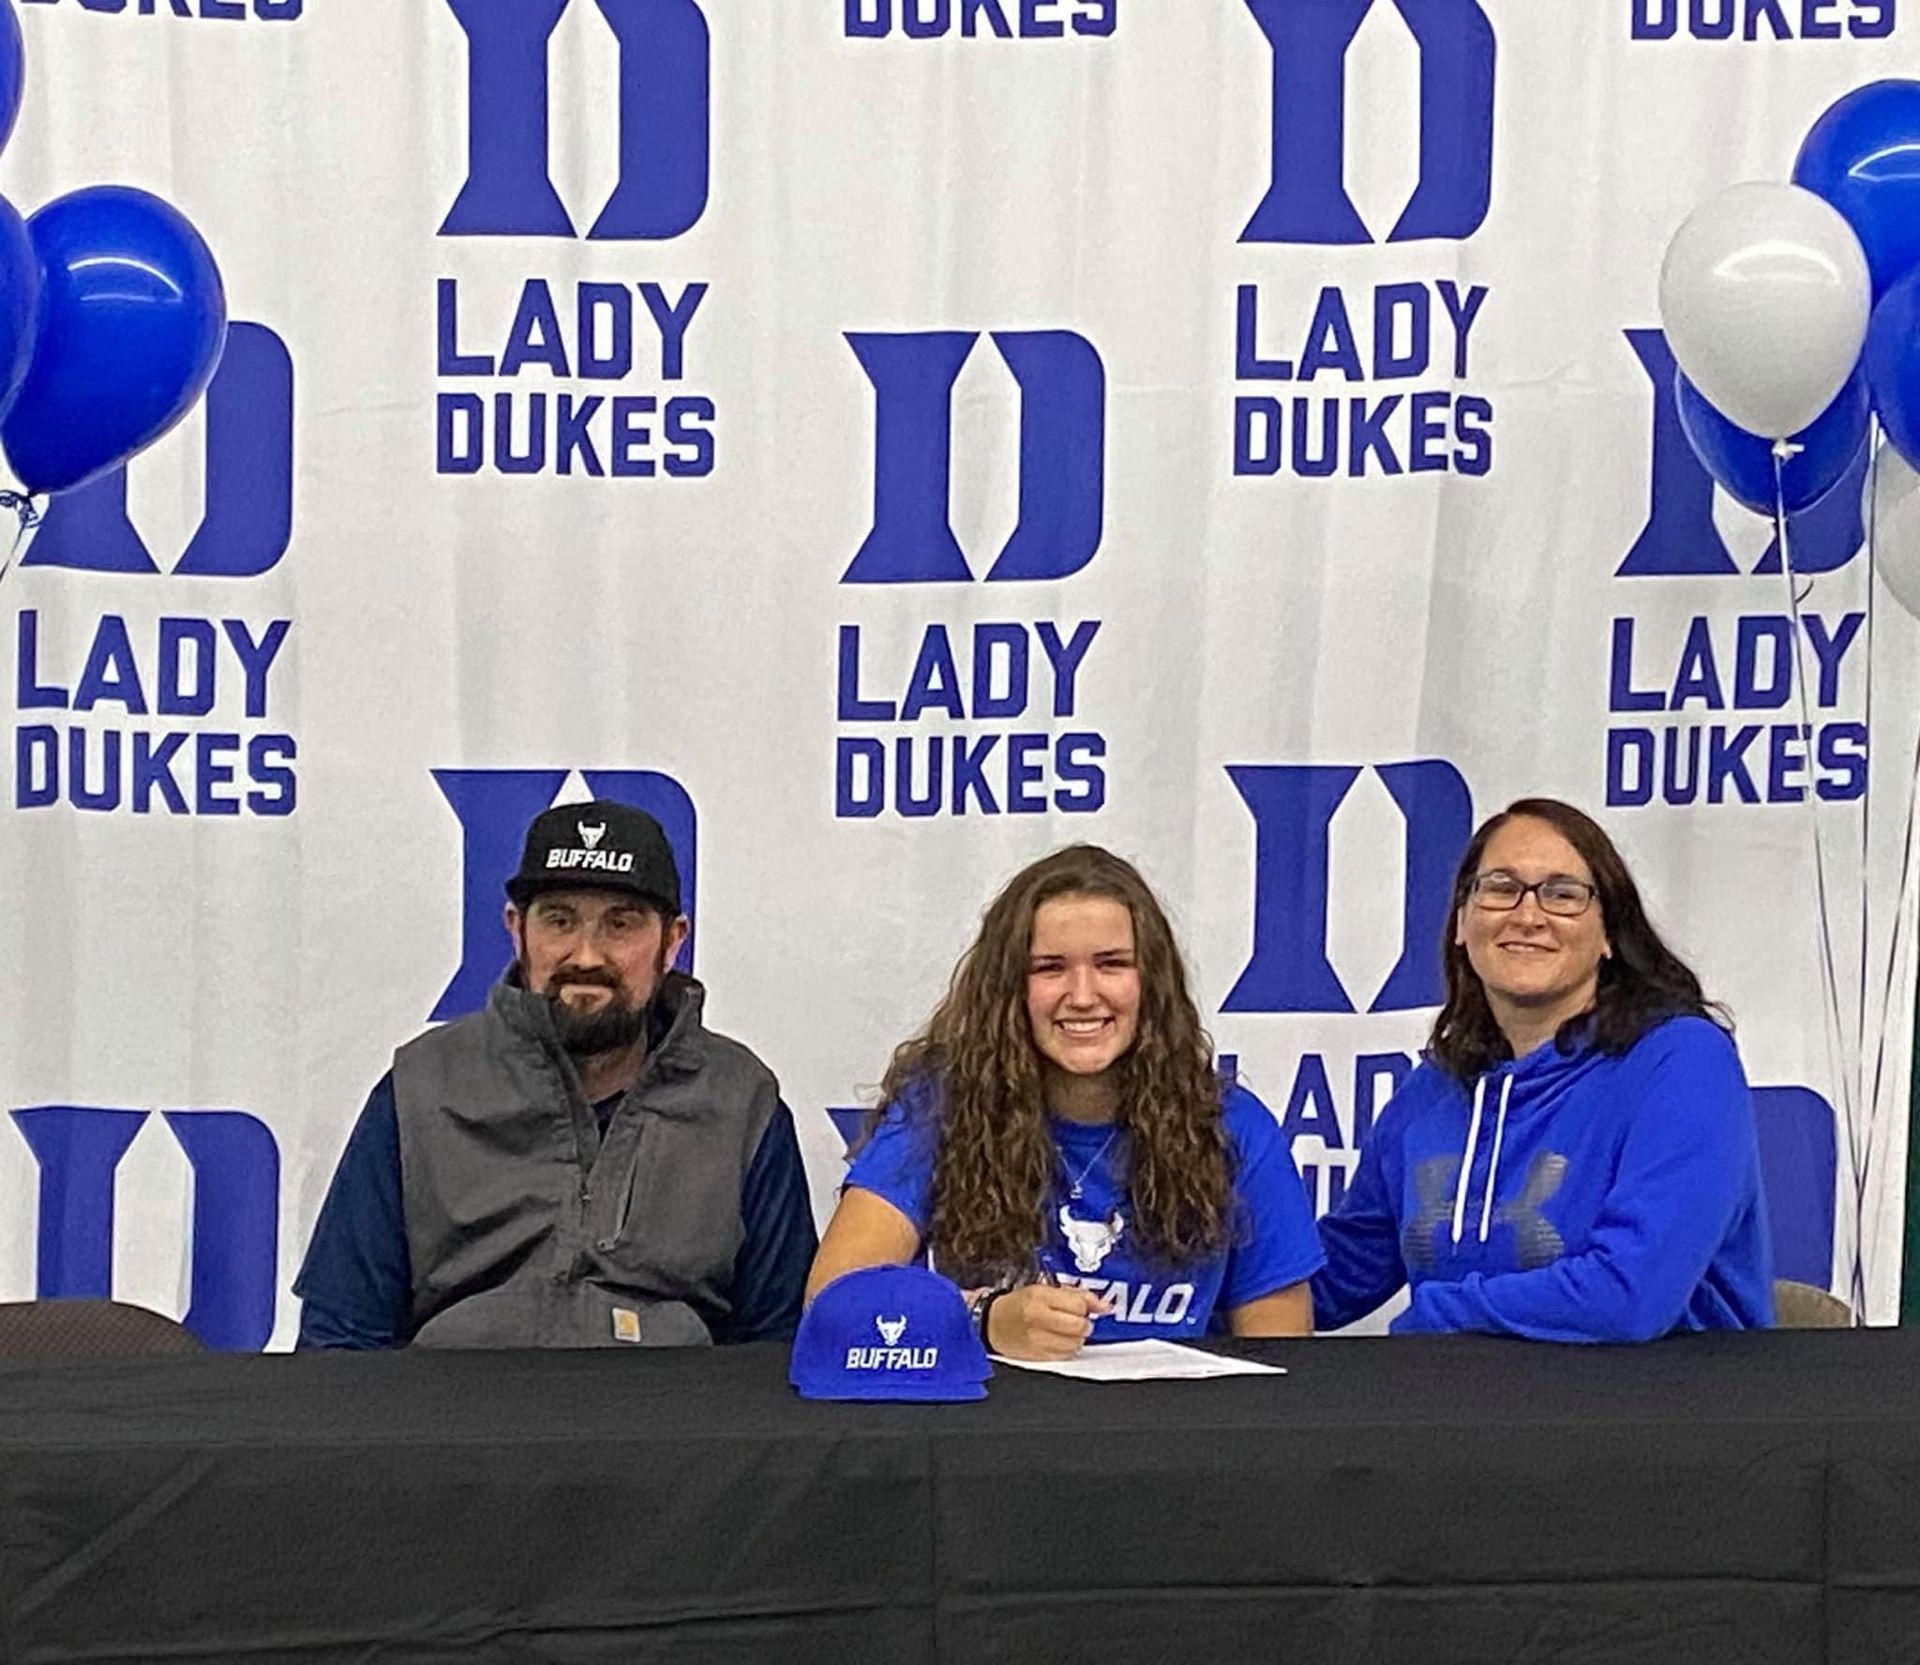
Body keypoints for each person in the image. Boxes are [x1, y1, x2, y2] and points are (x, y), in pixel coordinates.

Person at [295, 800, 816, 1349]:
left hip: (670, 1430)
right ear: (517, 930)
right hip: (457, 1426)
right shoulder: (421, 1088)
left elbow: (776, 1353)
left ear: (673, 941)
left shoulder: (741, 1102)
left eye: (621, 924)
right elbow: (341, 1343)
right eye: (560, 920)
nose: (586, 955)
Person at [807, 844, 1323, 1359]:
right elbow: (832, 1305)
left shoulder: (1230, 1124)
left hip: (1171, 1433)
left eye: (1112, 964)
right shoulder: (943, 1104)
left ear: (1152, 985)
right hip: (988, 1429)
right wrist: (983, 1319)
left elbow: (1281, 1366)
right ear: (1009, 990)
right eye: (1050, 968)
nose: (1081, 995)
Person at [1313, 798, 1774, 1341]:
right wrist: (1200, 1285)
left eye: (1562, 895)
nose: (1527, 916)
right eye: (1501, 888)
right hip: (1470, 1413)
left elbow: (1630, 1296)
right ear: (1462, 922)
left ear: (1609, 935)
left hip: (1663, 1413)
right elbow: (1331, 1278)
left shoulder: (1681, 1061)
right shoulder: (1433, 1091)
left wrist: (1436, 1316)